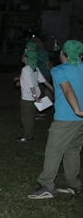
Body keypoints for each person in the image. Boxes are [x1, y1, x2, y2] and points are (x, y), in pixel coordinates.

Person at [28, 40, 83, 199]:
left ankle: (47, 185)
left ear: (62, 54)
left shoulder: (59, 70)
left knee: (54, 151)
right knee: (73, 150)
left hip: (66, 118)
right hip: (81, 121)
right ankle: (74, 184)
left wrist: (77, 109)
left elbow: (67, 89)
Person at [16, 50, 53, 142]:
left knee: (26, 117)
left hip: (28, 97)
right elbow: (43, 80)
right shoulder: (35, 68)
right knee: (31, 117)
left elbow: (30, 84)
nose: (23, 58)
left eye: (25, 56)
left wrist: (35, 97)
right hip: (34, 96)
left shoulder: (26, 69)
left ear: (27, 58)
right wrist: (53, 89)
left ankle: (26, 136)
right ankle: (29, 134)